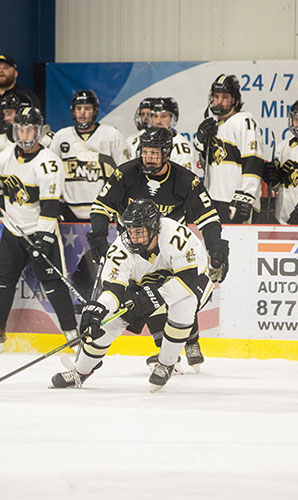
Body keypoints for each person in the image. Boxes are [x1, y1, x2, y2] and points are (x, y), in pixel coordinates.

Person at [88, 126, 229, 371]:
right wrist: (99, 237)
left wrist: (216, 249)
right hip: (133, 251)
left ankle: (189, 339)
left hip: (169, 252)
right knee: (139, 297)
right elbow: (101, 206)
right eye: (145, 152)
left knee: (173, 294)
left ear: (167, 154)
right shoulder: (126, 174)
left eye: (154, 153)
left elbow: (208, 219)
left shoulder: (186, 181)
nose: (148, 158)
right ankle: (165, 351)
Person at [51, 199, 214, 391]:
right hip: (146, 285)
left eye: (139, 231)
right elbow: (113, 290)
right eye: (130, 231)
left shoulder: (176, 236)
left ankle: (166, 364)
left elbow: (188, 280)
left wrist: (153, 296)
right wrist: (99, 308)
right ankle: (80, 372)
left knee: (183, 306)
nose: (134, 237)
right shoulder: (121, 249)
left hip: (195, 279)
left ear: (154, 227)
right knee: (110, 321)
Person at [0, 106, 78, 351]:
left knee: (52, 282)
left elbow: (51, 205)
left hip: (39, 231)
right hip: (13, 229)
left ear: (38, 130)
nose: (24, 135)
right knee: (3, 279)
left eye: (29, 129)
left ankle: (71, 332)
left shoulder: (49, 162)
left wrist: (43, 238)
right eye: (20, 129)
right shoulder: (7, 153)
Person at [49, 89, 131, 221]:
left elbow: (126, 172)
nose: (82, 112)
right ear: (73, 111)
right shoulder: (61, 137)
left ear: (95, 111)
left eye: (87, 108)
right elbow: (52, 175)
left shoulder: (112, 135)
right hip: (68, 209)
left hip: (104, 208)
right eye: (79, 108)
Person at [195, 74, 265, 223]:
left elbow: (253, 162)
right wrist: (200, 142)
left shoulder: (244, 122)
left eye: (224, 97)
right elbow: (206, 166)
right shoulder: (213, 126)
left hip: (235, 201)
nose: (219, 102)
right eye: (216, 96)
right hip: (214, 200)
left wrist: (246, 197)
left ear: (234, 99)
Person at [0, 55, 41, 135]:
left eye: (6, 68)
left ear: (15, 73)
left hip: (15, 144)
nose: (1, 71)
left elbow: (36, 125)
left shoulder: (26, 98)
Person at [147, 97, 202, 177]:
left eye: (163, 116)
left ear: (174, 118)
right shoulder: (141, 142)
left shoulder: (182, 148)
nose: (158, 121)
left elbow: (185, 181)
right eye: (155, 116)